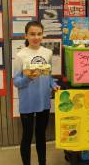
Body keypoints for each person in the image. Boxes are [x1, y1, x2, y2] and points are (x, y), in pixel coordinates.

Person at [13, 21, 59, 165]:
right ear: (26, 36)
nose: (36, 37)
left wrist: (54, 85)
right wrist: (27, 78)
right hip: (27, 102)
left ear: (42, 35)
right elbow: (16, 82)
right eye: (32, 34)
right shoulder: (20, 55)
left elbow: (48, 74)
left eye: (39, 34)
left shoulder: (47, 53)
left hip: (43, 101)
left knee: (41, 136)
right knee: (27, 136)